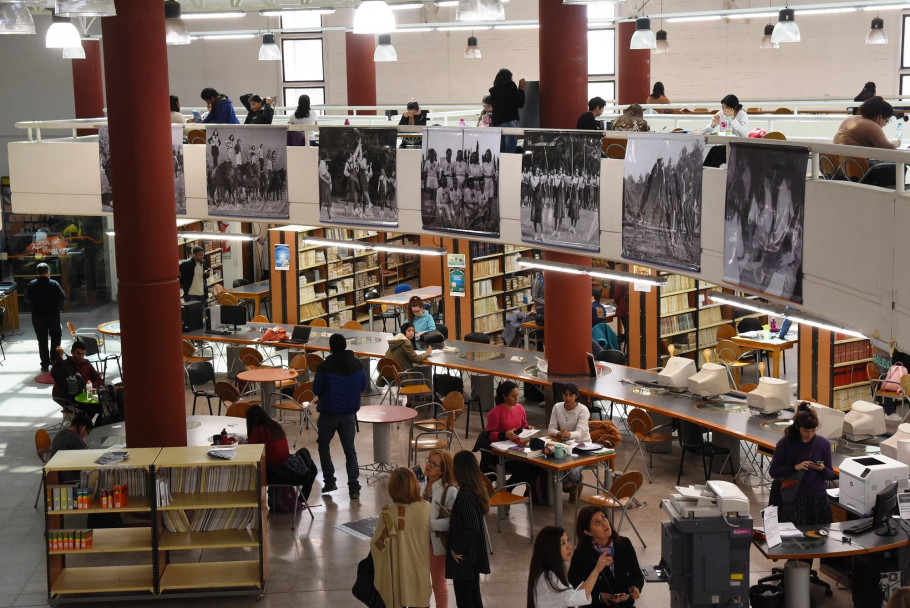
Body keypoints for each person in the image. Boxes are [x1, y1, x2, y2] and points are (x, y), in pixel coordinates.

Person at [314, 333, 367, 500]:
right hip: (349, 414)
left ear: (330, 348)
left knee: (323, 445)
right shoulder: (357, 364)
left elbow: (316, 389)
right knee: (350, 450)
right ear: (345, 345)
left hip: (329, 413)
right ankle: (354, 488)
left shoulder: (324, 366)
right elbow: (363, 385)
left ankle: (329, 481)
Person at [371, 467, 432, 608]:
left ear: (392, 487)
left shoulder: (387, 513)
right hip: (420, 573)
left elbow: (376, 546)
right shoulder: (426, 508)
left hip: (397, 576)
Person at [768, 403, 834, 526]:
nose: (809, 434)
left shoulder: (823, 443)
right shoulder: (785, 443)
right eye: (805, 431)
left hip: (817, 498)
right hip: (794, 499)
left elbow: (829, 475)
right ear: (798, 427)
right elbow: (773, 472)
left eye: (813, 431)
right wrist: (795, 467)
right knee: (794, 541)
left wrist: (822, 469)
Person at [568, 506, 644, 607]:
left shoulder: (625, 544)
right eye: (597, 522)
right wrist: (600, 597)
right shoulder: (581, 555)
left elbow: (638, 575)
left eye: (604, 517)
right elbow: (574, 593)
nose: (605, 523)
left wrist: (635, 587)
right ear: (588, 532)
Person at [447, 451, 491, 608]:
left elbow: (473, 528)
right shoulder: (474, 491)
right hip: (471, 556)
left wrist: (455, 548)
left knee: (465, 600)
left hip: (464, 558)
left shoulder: (465, 495)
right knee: (473, 596)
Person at [527, 525, 611, 608]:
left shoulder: (547, 573)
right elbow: (576, 599)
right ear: (550, 548)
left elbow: (574, 597)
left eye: (567, 540)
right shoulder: (549, 578)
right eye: (563, 543)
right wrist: (596, 571)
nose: (569, 546)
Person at [478, 381, 539, 491]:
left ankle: (508, 488)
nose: (516, 399)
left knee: (535, 466)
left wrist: (528, 428)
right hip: (501, 452)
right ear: (504, 396)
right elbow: (490, 435)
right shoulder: (495, 413)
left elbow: (524, 425)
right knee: (524, 468)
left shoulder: (520, 408)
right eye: (513, 396)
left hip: (517, 448)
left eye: (517, 395)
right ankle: (506, 489)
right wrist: (504, 434)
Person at [422, 450, 458, 608]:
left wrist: (428, 524)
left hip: (436, 543)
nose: (428, 465)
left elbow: (453, 522)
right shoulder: (420, 482)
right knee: (420, 582)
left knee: (438, 584)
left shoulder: (450, 491)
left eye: (433, 464)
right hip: (418, 541)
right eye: (428, 460)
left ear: (443, 470)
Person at [548, 383, 591, 499]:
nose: (567, 398)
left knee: (571, 471)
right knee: (552, 467)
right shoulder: (557, 407)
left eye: (571, 395)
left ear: (576, 396)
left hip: (582, 447)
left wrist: (568, 434)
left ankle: (577, 483)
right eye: (565, 395)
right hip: (564, 446)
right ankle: (572, 486)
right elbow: (551, 429)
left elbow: (580, 433)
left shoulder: (583, 410)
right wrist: (559, 433)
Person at [26, 262, 66, 372]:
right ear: (48, 272)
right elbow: (63, 297)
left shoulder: (31, 284)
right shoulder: (54, 284)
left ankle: (44, 364)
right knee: (56, 337)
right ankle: (54, 360)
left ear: (37, 272)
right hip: (53, 315)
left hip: (38, 316)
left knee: (42, 340)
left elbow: (27, 298)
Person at [245, 405, 291, 484]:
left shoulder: (258, 430)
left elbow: (250, 450)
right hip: (286, 466)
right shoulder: (275, 426)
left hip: (273, 470)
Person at [833, 96, 898, 149]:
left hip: (839, 162)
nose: (885, 125)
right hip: (855, 163)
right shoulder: (870, 125)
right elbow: (889, 148)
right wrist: (896, 142)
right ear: (879, 117)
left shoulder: (850, 118)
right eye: (886, 121)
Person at [488, 68, 526, 154]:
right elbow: (520, 103)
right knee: (510, 152)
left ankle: (502, 167)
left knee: (501, 152)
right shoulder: (510, 85)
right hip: (510, 122)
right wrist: (521, 89)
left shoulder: (494, 91)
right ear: (509, 78)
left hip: (497, 124)